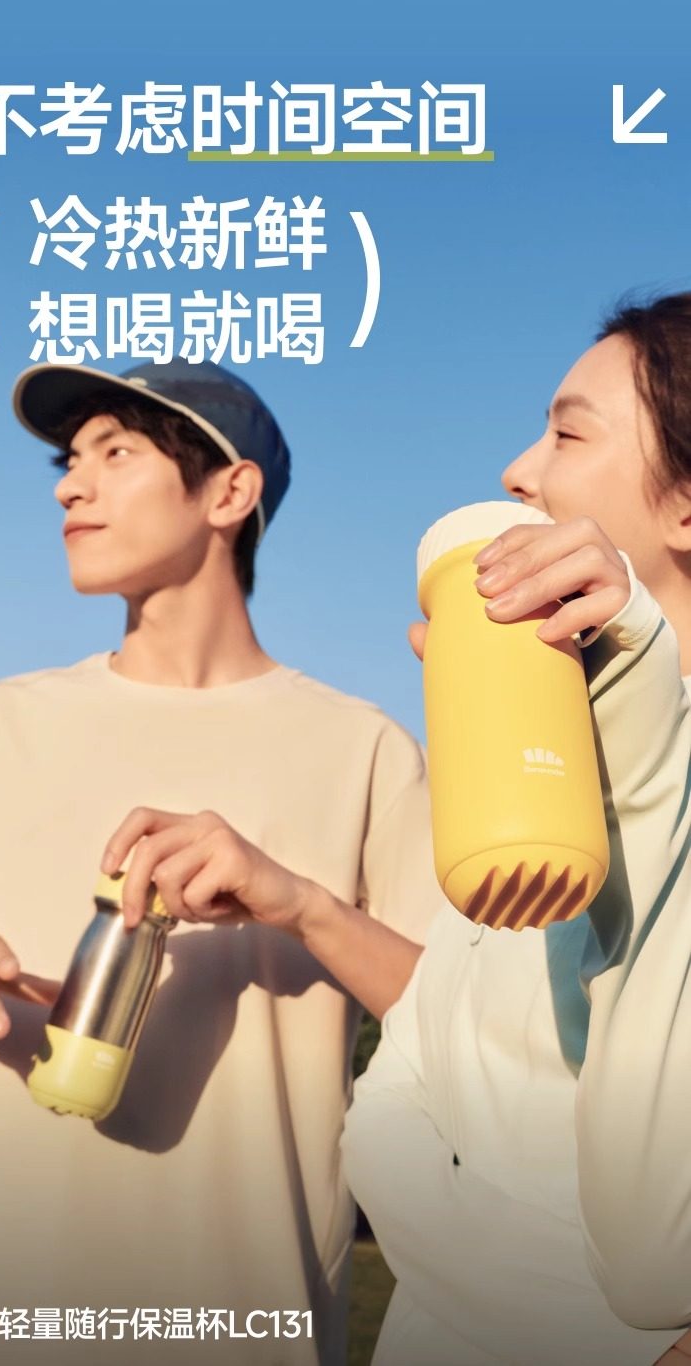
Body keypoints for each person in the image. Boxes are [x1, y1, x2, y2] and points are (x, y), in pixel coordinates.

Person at [0, 359, 440, 1366]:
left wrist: (300, 904)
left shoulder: (364, 749)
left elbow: (471, 1028)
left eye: (116, 453)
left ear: (229, 492)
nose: (70, 487)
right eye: (70, 461)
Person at [337, 292, 691, 1364]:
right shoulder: (528, 787)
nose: (517, 470)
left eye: (569, 435)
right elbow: (383, 1115)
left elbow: (654, 1260)